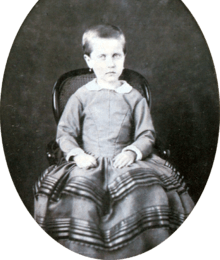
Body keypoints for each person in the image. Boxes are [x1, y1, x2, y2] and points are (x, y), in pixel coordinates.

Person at [34, 24, 195, 259]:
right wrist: (78, 155)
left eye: (116, 56)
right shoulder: (81, 96)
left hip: (125, 159)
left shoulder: (134, 97)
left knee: (144, 187)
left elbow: (146, 134)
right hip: (88, 160)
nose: (110, 63)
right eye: (102, 57)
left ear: (124, 58)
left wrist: (132, 152)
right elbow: (65, 133)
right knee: (80, 193)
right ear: (89, 61)